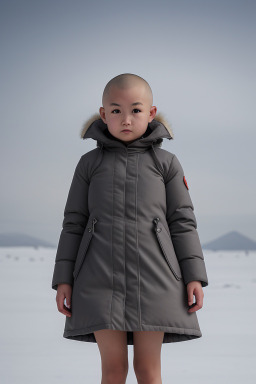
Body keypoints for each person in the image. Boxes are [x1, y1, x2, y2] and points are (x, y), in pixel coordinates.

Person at [52, 73, 209, 383]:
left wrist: (194, 276)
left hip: (156, 280)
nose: (126, 119)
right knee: (113, 371)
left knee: (147, 370)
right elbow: (74, 224)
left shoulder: (167, 163)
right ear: (103, 115)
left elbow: (182, 222)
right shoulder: (88, 164)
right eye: (116, 110)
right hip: (97, 280)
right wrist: (63, 281)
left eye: (136, 110)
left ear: (150, 113)